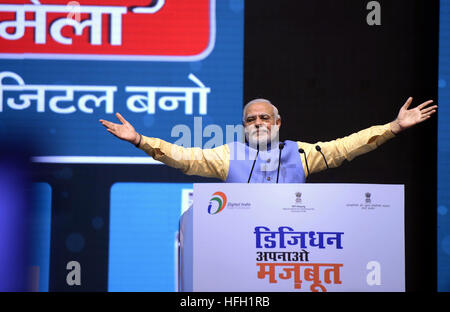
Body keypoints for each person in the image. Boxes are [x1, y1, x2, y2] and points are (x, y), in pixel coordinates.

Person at [99, 97, 437, 182]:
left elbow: (344, 147)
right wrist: (141, 139)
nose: (258, 122)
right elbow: (185, 157)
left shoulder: (303, 153)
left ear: (278, 122)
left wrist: (392, 128)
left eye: (264, 118)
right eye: (251, 119)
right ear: (244, 127)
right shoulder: (227, 155)